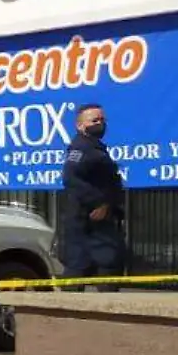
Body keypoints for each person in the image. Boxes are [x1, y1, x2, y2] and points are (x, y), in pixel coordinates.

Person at [60, 103, 128, 291]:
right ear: (80, 126)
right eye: (94, 120)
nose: (100, 123)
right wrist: (99, 203)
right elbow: (70, 178)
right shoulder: (81, 148)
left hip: (99, 222)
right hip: (88, 221)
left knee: (106, 267)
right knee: (84, 267)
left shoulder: (95, 148)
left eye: (102, 120)